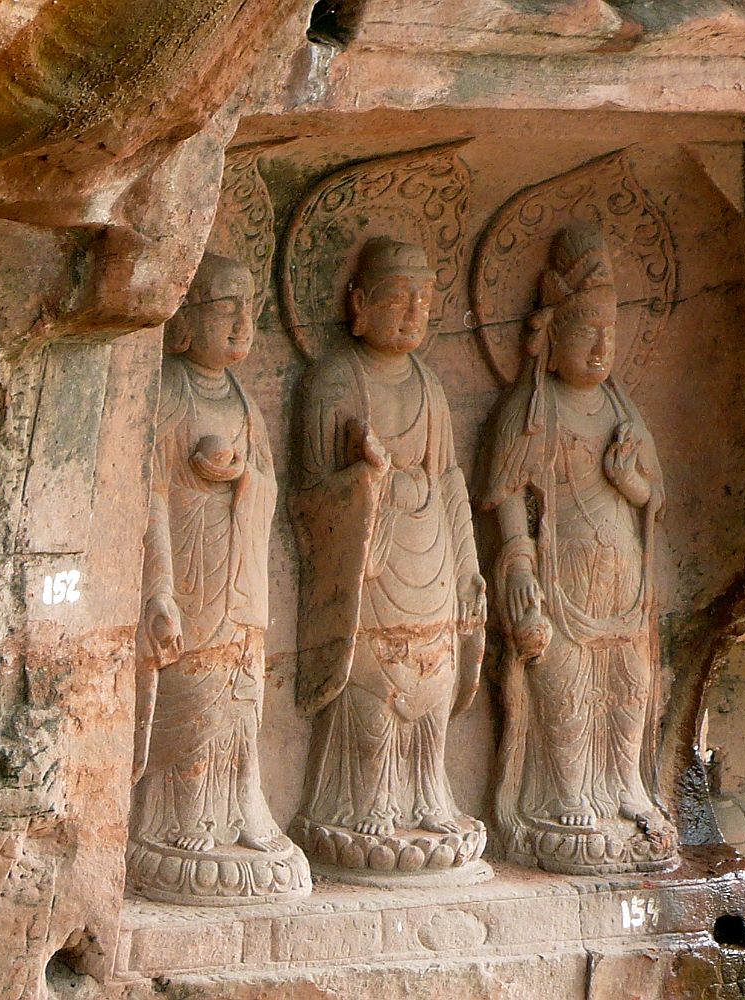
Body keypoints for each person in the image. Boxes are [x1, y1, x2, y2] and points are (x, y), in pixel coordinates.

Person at [483, 223, 676, 873]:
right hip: (562, 570)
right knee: (564, 687)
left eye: (610, 333)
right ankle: (565, 795)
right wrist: (518, 563)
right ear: (552, 335)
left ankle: (626, 788)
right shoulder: (532, 409)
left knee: (628, 686)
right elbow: (507, 493)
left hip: (624, 574)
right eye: (586, 331)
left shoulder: (624, 413)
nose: (600, 347)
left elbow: (655, 497)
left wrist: (633, 485)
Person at [292, 239, 486, 874]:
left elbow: (450, 479)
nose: (411, 313)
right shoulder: (333, 382)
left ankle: (428, 796)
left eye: (423, 301)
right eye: (397, 299)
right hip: (370, 557)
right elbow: (309, 497)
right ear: (358, 304)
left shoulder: (430, 387)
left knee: (433, 675)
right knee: (374, 680)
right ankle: (360, 802)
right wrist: (367, 477)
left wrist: (468, 569)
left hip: (431, 552)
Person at [129, 254, 308, 904]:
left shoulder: (244, 402)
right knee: (192, 694)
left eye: (249, 307)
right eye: (224, 307)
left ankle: (241, 814)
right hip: (189, 573)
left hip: (238, 575)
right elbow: (146, 493)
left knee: (240, 698)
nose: (241, 322)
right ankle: (172, 822)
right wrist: (158, 590)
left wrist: (241, 479)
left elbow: (269, 487)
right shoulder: (168, 390)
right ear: (184, 318)